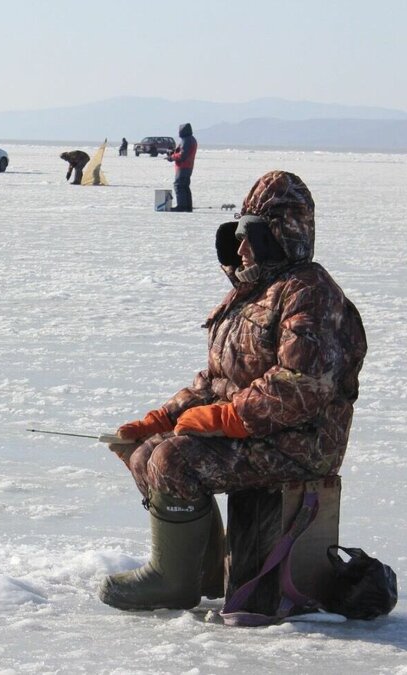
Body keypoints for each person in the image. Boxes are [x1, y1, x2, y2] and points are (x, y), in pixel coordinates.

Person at [99, 170, 367, 611]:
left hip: (302, 443)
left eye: (253, 234)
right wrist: (162, 418)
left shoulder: (311, 294)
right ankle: (200, 572)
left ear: (281, 235)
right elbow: (217, 380)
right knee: (149, 449)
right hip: (264, 431)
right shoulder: (253, 292)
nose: (241, 247)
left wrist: (228, 418)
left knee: (173, 460)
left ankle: (172, 583)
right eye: (239, 234)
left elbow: (302, 385)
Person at [167, 123, 197, 211]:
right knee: (185, 186)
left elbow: (182, 155)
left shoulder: (186, 140)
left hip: (183, 166)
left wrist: (172, 157)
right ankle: (187, 206)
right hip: (188, 166)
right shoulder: (191, 139)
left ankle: (182, 206)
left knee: (179, 185)